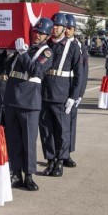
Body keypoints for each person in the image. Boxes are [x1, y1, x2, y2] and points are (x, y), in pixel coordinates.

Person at [4, 17, 55, 191]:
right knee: (13, 139)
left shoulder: (46, 52)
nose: (37, 35)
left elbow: (36, 71)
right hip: (12, 97)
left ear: (47, 36)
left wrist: (23, 53)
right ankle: (16, 173)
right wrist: (10, 54)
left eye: (41, 33)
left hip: (29, 100)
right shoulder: (23, 47)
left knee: (28, 140)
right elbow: (5, 69)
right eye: (36, 32)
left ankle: (29, 175)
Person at [39, 13, 81, 177]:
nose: (54, 28)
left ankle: (59, 161)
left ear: (64, 28)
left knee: (62, 130)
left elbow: (79, 74)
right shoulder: (46, 44)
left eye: (58, 25)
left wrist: (73, 96)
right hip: (43, 92)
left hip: (62, 94)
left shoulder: (72, 47)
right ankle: (50, 159)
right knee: (46, 130)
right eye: (53, 25)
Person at [64, 14, 86, 168]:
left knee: (70, 122)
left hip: (73, 85)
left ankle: (67, 154)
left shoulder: (79, 46)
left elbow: (83, 72)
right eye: (65, 28)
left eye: (70, 28)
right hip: (60, 86)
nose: (66, 31)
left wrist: (79, 93)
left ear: (74, 30)